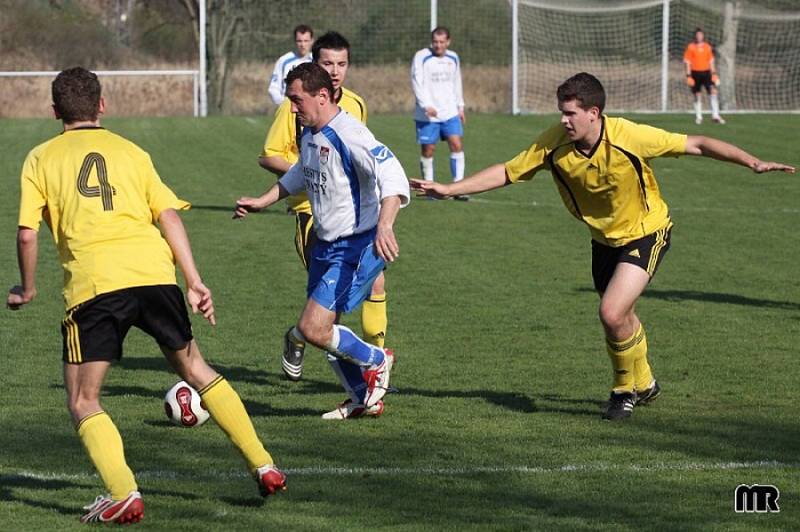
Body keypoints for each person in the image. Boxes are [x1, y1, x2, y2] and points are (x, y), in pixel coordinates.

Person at [411, 72, 794, 421]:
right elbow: (509, 171)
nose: (563, 120)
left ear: (594, 113)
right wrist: (449, 188)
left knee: (611, 312)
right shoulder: (555, 143)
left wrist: (752, 162)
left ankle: (622, 391)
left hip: (647, 230)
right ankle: (645, 384)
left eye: (570, 113)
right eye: (561, 112)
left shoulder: (629, 136)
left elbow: (696, 142)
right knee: (622, 318)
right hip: (603, 241)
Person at [6, 67, 286, 524]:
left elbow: (26, 234)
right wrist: (193, 279)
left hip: (96, 286)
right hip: (155, 275)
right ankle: (264, 463)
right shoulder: (132, 151)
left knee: (83, 399)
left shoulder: (40, 157)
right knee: (196, 367)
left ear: (54, 111)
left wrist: (28, 287)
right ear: (102, 105)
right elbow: (169, 216)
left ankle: (123, 493)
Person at [237, 62, 410, 420]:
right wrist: (262, 201)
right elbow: (302, 171)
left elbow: (392, 174)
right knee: (321, 330)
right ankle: (364, 398)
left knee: (315, 327)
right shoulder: (310, 132)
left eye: (297, 100)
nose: (292, 108)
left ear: (322, 96)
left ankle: (378, 359)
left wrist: (386, 225)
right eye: (290, 100)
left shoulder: (350, 133)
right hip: (325, 245)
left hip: (356, 245)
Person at [260, 31, 389, 394]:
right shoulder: (297, 106)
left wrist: (384, 214)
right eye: (328, 63)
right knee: (322, 318)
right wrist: (295, 183)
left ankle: (373, 369)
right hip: (311, 216)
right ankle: (314, 343)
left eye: (342, 63)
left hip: (356, 225)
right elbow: (276, 155)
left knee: (364, 291)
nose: (335, 71)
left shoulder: (353, 108)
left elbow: (367, 158)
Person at [411, 26, 467, 200]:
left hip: (450, 112)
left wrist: (460, 106)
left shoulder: (453, 57)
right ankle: (429, 188)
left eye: (442, 42)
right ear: (432, 41)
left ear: (448, 42)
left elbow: (456, 82)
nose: (438, 45)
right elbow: (416, 81)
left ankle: (459, 186)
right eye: (435, 41)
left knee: (457, 144)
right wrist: (425, 105)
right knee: (428, 149)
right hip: (427, 114)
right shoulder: (421, 57)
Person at [684, 28, 724, 125]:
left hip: (706, 73)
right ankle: (699, 117)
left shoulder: (707, 47)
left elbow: (711, 61)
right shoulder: (691, 47)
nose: (699, 37)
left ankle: (715, 116)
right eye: (697, 35)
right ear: (695, 36)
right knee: (697, 94)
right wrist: (688, 75)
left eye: (701, 35)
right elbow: (687, 62)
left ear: (703, 36)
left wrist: (714, 73)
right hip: (695, 73)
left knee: (713, 92)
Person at [268, 24, 314, 105]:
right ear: (295, 41)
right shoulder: (284, 61)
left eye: (306, 41)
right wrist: (284, 104)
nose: (302, 45)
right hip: (289, 110)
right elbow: (273, 88)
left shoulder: (317, 61)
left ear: (312, 41)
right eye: (299, 41)